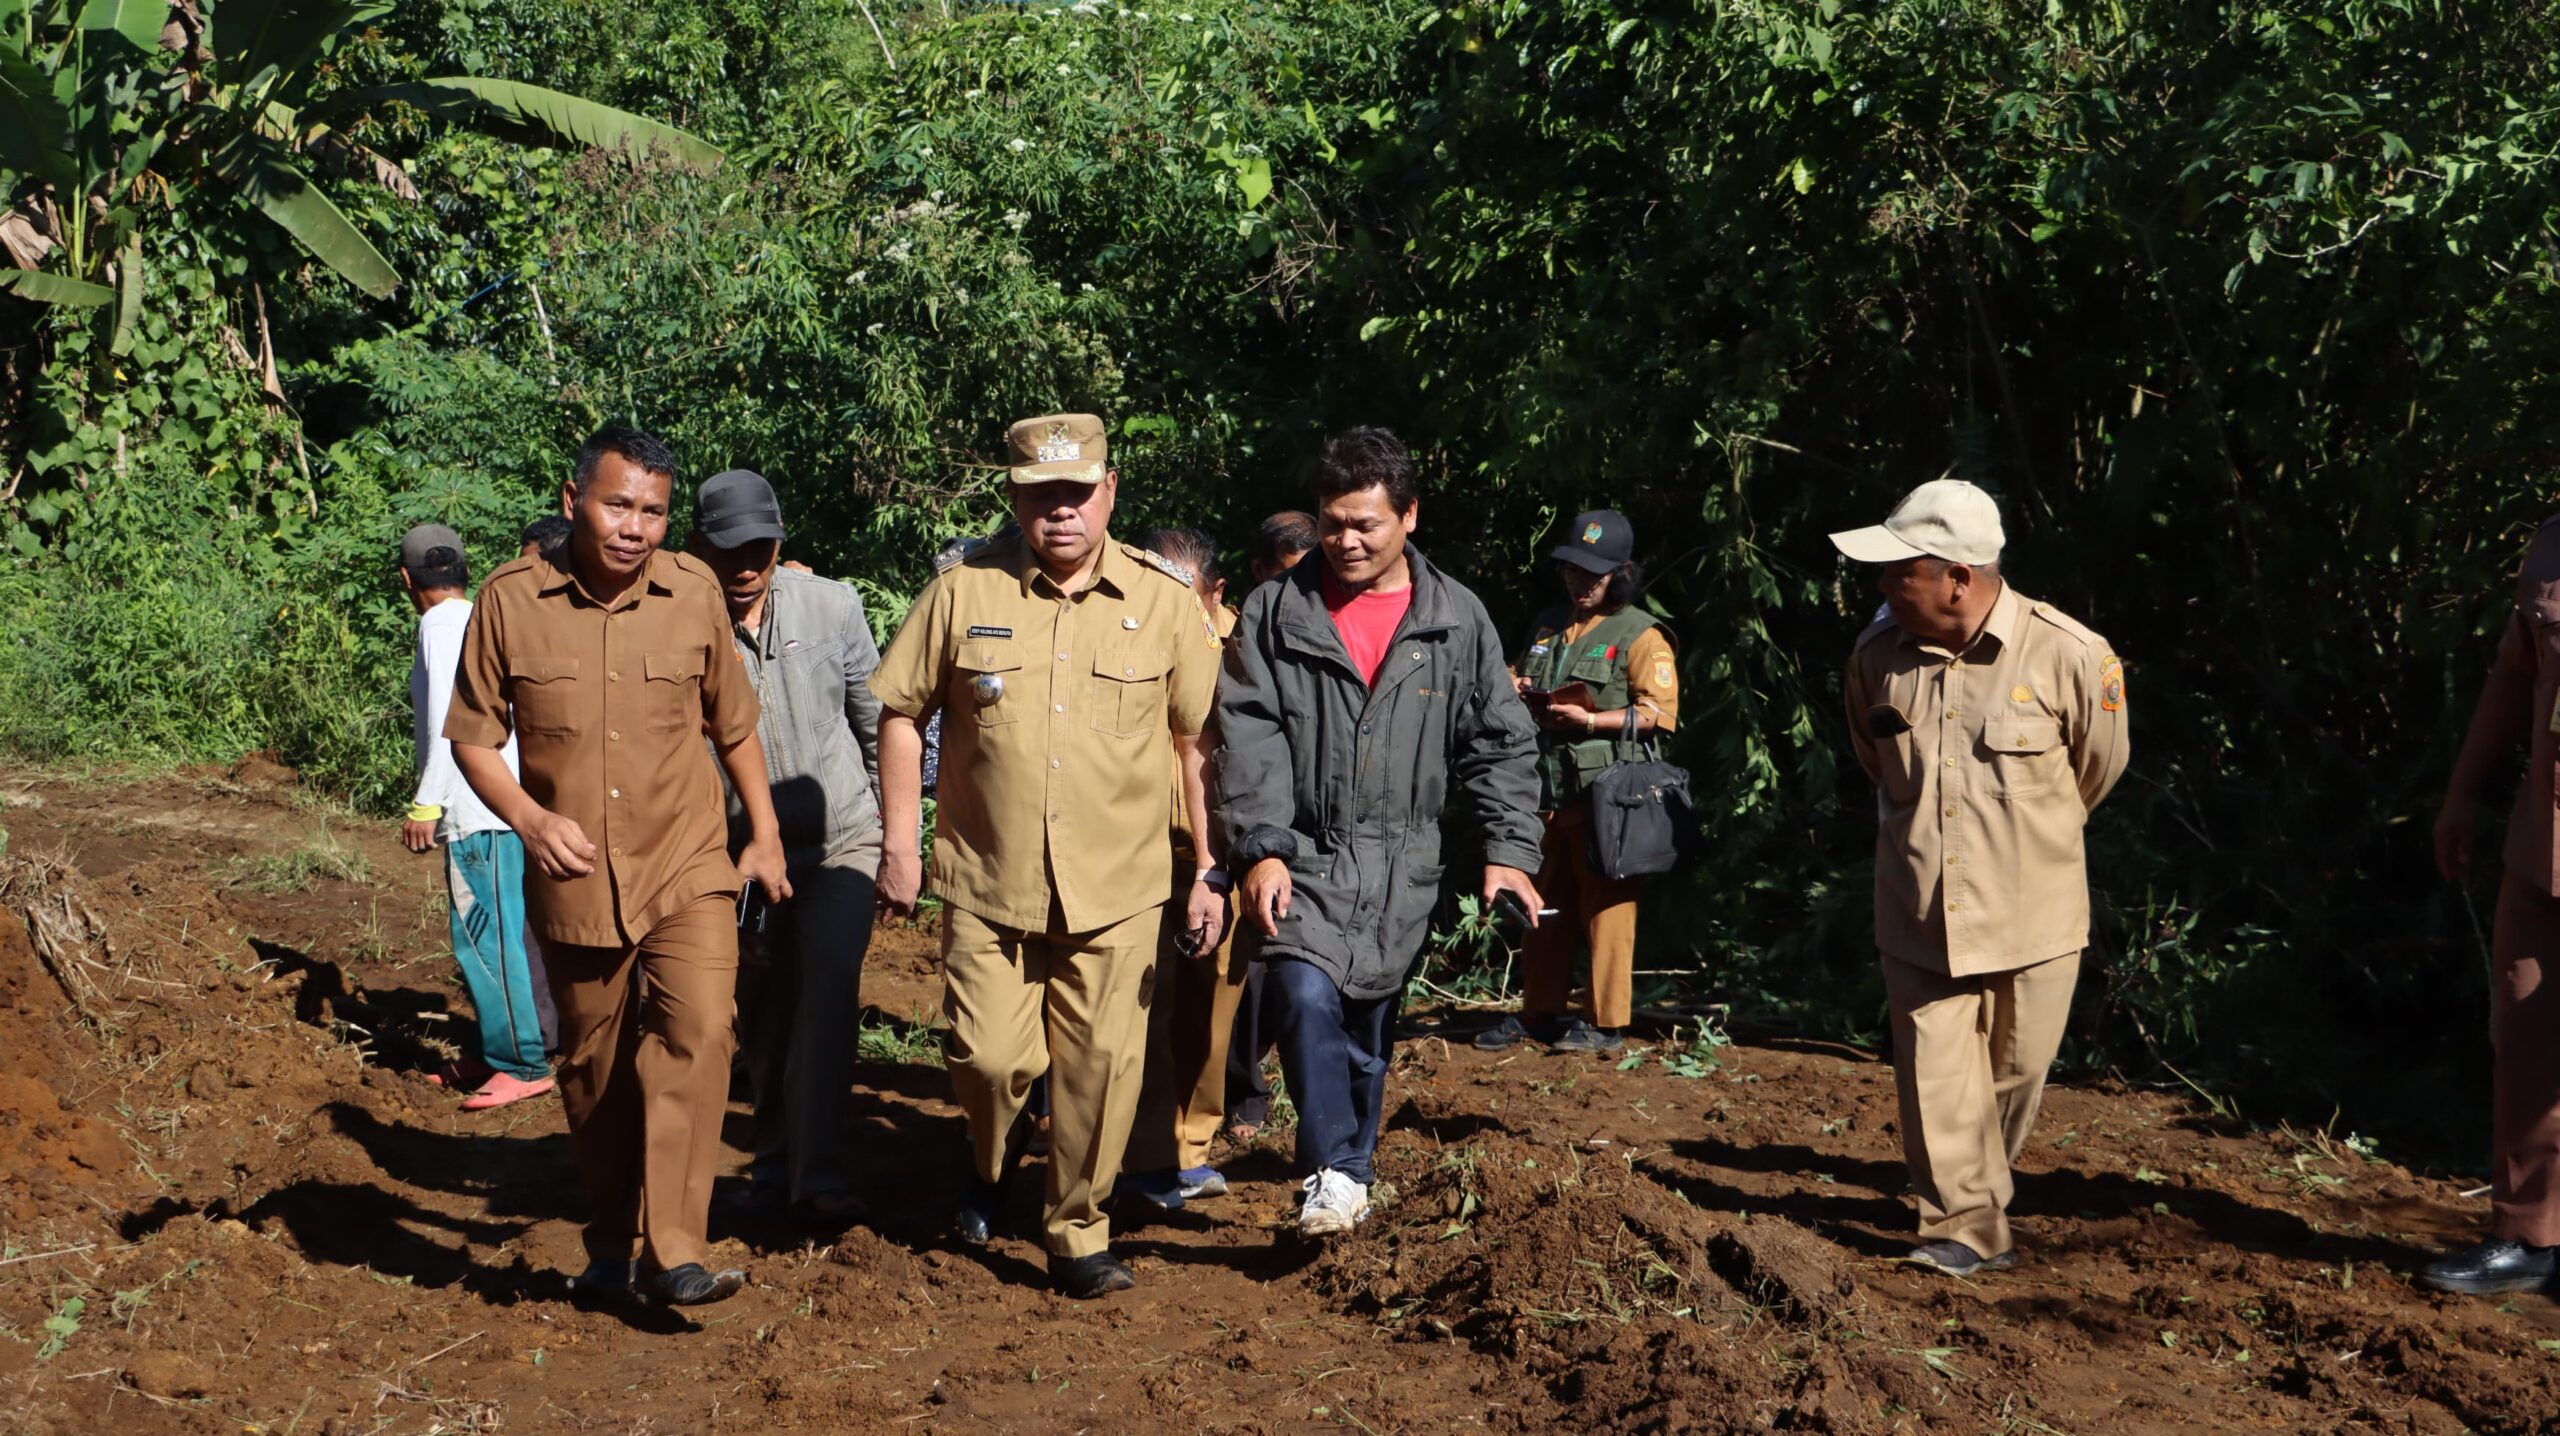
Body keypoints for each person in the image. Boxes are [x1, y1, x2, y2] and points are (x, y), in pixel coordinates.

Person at [870, 413, 1224, 1299]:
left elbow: (1195, 745)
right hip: (990, 881)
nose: (1059, 513)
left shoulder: (1165, 604)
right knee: (989, 1060)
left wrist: (1209, 865)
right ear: (1015, 500)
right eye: (1040, 497)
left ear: (1108, 492)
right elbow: (900, 712)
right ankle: (992, 1159)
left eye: (1076, 494)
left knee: (1102, 1072)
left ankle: (1078, 1232)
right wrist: (898, 844)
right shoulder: (963, 594)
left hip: (1122, 885)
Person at [446, 426, 795, 1309]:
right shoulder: (511, 601)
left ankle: (677, 1248)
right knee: (594, 1071)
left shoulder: (693, 594)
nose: (636, 527)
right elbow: (474, 742)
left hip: (687, 864)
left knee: (703, 1030)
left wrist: (764, 832)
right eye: (618, 505)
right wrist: (528, 821)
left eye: (653, 510)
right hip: (576, 875)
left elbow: (735, 725)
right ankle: (614, 1242)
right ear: (574, 503)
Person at [1215, 427, 1545, 1237]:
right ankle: (1329, 1167)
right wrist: (1261, 848)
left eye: (1366, 523)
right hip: (1306, 851)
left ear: (1409, 517)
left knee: (1365, 1027)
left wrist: (1508, 851)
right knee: (1299, 989)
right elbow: (1247, 736)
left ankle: (1349, 1176)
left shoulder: (1455, 621)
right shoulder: (1276, 611)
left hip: (1405, 861)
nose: (1347, 540)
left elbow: (1499, 743)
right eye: (1333, 522)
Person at [1832, 478, 2128, 1277]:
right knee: (1934, 1075)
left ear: (1957, 577)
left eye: (1901, 572)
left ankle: (1977, 1190)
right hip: (1918, 905)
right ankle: (1963, 1223)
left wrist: (2021, 836)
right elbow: (1875, 762)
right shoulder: (1875, 658)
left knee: (2015, 1072)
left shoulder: (2071, 653)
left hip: (2034, 914)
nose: (1885, 586)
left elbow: (2098, 770)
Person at [688, 469, 885, 1230]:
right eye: (729, 551)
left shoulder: (831, 605)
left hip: (840, 841)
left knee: (827, 997)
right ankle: (775, 1168)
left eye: (761, 550)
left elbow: (876, 721)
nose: (745, 567)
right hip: (734, 856)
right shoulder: (678, 622)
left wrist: (896, 837)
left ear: (781, 544)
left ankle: (820, 1179)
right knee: (762, 1017)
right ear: (698, 546)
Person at [1475, 510, 1679, 1056]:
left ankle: (1605, 1022)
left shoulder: (1641, 634)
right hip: (1544, 792)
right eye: (1572, 570)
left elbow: (1658, 714)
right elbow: (1519, 677)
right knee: (1541, 903)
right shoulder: (1547, 626)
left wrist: (1589, 721)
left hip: (1609, 799)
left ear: (1621, 573)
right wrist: (1515, 685)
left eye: (1594, 574)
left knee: (1608, 908)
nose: (1581, 582)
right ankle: (1538, 1012)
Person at [2425, 513, 2560, 1295]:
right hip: (2544, 848)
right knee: (2529, 1037)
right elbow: (2514, 673)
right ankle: (2527, 1237)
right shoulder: (2551, 545)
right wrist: (2462, 795)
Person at [396, 524, 556, 1111]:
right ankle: (495, 1052)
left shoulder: (438, 626)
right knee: (502, 934)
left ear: (407, 579)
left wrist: (426, 802)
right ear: (464, 570)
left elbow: (449, 719)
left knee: (485, 938)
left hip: (474, 809)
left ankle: (522, 1062)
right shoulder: (485, 614)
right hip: (505, 801)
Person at [1126, 527, 1243, 1207]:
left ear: (1214, 590)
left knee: (1210, 1009)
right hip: (1138, 851)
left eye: (1185, 591)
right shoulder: (1124, 628)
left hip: (1218, 854)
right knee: (1144, 1006)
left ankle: (1192, 1145)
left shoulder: (1244, 647)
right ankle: (1144, 1154)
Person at [1224, 511, 1319, 1142]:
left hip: (1309, 827)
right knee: (1244, 966)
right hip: (1242, 821)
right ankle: (1244, 1088)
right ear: (1259, 573)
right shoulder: (1238, 633)